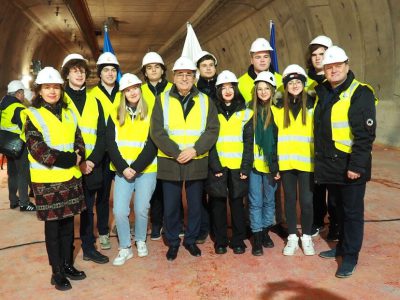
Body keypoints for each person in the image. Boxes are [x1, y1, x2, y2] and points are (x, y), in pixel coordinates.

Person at [22, 67, 86, 290]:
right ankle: (56, 272)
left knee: (68, 224)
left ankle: (68, 264)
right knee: (53, 228)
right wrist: (72, 159)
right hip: (48, 182)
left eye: (56, 87)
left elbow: (79, 139)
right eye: (47, 87)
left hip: (70, 178)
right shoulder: (32, 115)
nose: (52, 91)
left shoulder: (68, 113)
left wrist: (79, 154)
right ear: (39, 90)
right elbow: (39, 150)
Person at [315, 46, 377, 278]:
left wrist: (356, 166)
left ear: (347, 66)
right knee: (338, 210)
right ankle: (341, 247)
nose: (333, 70)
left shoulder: (360, 93)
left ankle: (350, 256)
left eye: (337, 66)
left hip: (350, 166)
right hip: (331, 166)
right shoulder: (322, 91)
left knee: (352, 213)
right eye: (329, 67)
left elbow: (364, 135)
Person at [150, 56, 219, 261]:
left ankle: (190, 240)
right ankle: (172, 242)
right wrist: (176, 152)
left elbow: (212, 129)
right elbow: (157, 131)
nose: (185, 78)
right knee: (171, 205)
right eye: (181, 74)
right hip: (170, 161)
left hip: (196, 160)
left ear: (194, 77)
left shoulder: (205, 101)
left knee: (195, 205)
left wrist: (195, 150)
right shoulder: (162, 99)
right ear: (174, 77)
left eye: (189, 74)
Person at [60, 53, 109, 264]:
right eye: (74, 70)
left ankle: (88, 247)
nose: (79, 74)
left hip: (91, 166)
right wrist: (78, 161)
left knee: (88, 210)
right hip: (69, 166)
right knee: (68, 213)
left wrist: (91, 161)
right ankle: (67, 254)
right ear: (66, 74)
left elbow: (102, 135)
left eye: (81, 70)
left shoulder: (94, 100)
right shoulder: (59, 99)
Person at [107, 73, 157, 265]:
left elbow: (152, 144)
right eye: (128, 89)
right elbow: (110, 144)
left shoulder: (151, 111)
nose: (132, 92)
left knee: (142, 208)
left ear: (140, 89)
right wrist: (124, 167)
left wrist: (135, 167)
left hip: (146, 169)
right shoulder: (115, 113)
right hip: (122, 171)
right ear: (123, 93)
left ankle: (140, 240)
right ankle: (125, 247)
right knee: (119, 211)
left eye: (135, 88)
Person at [271, 64, 316, 256]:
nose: (295, 85)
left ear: (304, 84)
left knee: (306, 202)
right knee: (290, 201)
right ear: (285, 86)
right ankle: (291, 237)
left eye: (299, 81)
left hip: (307, 163)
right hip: (287, 163)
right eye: (291, 82)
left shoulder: (314, 105)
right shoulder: (278, 108)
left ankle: (306, 237)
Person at [207, 70, 253, 255]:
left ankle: (238, 240)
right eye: (223, 87)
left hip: (237, 167)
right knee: (217, 204)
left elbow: (249, 143)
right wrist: (215, 165)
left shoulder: (246, 113)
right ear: (218, 90)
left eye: (231, 87)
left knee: (237, 204)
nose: (227, 91)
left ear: (236, 89)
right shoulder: (211, 112)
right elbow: (209, 141)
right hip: (218, 167)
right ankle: (220, 240)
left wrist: (245, 167)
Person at [87, 52, 121, 251]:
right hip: (102, 154)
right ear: (99, 74)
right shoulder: (93, 96)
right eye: (106, 70)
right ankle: (103, 232)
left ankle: (120, 225)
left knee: (125, 193)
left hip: (123, 152)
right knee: (103, 196)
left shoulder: (124, 92)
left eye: (113, 70)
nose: (110, 73)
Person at [306, 36, 338, 240]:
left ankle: (335, 225)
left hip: (332, 145)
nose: (318, 58)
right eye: (314, 54)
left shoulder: (336, 80)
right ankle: (317, 220)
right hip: (311, 145)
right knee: (315, 188)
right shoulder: (306, 81)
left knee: (335, 191)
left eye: (322, 53)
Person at [140, 51, 173, 240]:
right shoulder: (140, 90)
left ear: (162, 70)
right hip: (148, 145)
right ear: (145, 72)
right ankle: (156, 222)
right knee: (153, 189)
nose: (153, 70)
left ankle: (171, 223)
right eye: (149, 68)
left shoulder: (172, 88)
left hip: (168, 144)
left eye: (157, 67)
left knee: (170, 187)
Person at [248, 71, 279, 256]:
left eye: (266, 88)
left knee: (269, 200)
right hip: (254, 165)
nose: (263, 91)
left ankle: (266, 231)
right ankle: (257, 237)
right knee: (255, 202)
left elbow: (280, 141)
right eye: (259, 89)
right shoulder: (249, 112)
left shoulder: (278, 112)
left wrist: (277, 167)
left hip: (271, 166)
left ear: (272, 90)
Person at [194, 50, 219, 244]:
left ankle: (217, 224)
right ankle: (203, 227)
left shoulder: (224, 85)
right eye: (204, 65)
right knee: (200, 190)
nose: (208, 68)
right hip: (201, 144)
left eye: (211, 65)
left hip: (221, 144)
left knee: (217, 189)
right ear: (198, 70)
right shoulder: (195, 91)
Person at [0, 80, 35, 211]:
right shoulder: (19, 108)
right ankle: (24, 203)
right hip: (19, 146)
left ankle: (13, 201)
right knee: (23, 173)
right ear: (19, 93)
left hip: (6, 145)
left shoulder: (2, 105)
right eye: (22, 93)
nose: (23, 96)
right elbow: (26, 128)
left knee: (12, 173)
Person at [238, 38, 282, 103]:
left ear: (270, 59)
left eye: (266, 56)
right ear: (251, 60)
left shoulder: (282, 81)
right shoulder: (239, 84)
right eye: (258, 57)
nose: (262, 60)